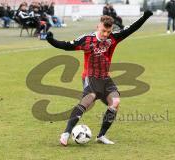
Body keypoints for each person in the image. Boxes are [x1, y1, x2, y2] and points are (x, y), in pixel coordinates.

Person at [46, 10, 153, 146]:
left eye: (108, 32)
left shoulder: (113, 38)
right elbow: (67, 45)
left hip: (105, 78)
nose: (105, 34)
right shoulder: (87, 39)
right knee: (87, 101)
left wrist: (144, 17)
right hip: (90, 77)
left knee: (115, 102)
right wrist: (51, 40)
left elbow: (131, 28)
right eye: (103, 31)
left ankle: (101, 135)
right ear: (98, 26)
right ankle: (66, 133)